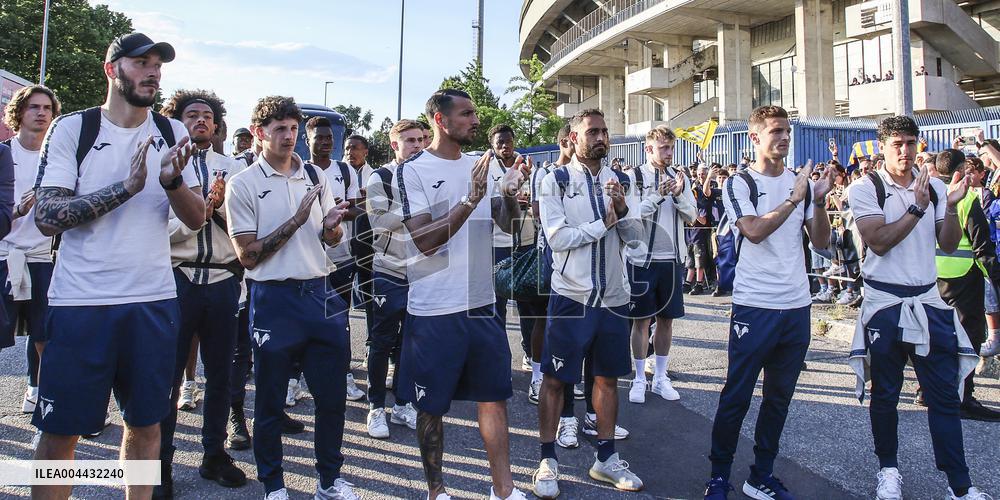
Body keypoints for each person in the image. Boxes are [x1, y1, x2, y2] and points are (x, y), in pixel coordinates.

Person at [31, 32, 205, 500]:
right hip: (81, 304)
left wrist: (172, 184)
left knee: (147, 426)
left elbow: (196, 217)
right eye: (140, 62)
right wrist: (126, 189)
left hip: (152, 301)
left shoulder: (172, 132)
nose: (153, 72)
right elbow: (47, 217)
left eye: (158, 65)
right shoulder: (74, 129)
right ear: (112, 70)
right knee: (62, 433)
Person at [394, 88, 528, 500]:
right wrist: (470, 199)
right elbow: (425, 241)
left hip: (482, 304)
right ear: (440, 119)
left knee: (494, 400)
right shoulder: (412, 170)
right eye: (467, 114)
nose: (475, 120)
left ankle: (503, 490)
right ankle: (438, 491)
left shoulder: (481, 166)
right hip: (434, 309)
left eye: (474, 114)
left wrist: (507, 194)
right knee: (431, 407)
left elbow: (507, 226)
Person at [848, 115, 991, 500]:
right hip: (885, 303)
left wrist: (952, 206)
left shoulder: (936, 187)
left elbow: (946, 243)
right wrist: (916, 208)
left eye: (911, 143)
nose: (905, 151)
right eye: (897, 144)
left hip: (928, 300)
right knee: (886, 393)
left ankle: (959, 485)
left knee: (945, 394)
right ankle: (889, 471)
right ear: (882, 147)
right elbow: (878, 241)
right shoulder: (866, 188)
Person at [225, 95, 357, 500]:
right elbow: (247, 255)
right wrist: (298, 219)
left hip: (320, 292)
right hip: (273, 297)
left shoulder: (315, 179)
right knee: (269, 403)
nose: (288, 136)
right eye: (279, 129)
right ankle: (275, 485)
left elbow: (330, 240)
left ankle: (329, 480)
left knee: (332, 398)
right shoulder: (243, 183)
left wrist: (332, 226)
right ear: (260, 132)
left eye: (293, 129)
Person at [705, 105, 833, 500]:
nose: (783, 138)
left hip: (796, 306)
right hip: (754, 305)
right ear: (754, 138)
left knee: (778, 399)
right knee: (737, 395)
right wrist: (795, 200)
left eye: (787, 132)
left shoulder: (801, 184)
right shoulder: (740, 183)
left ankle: (760, 474)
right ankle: (719, 476)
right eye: (776, 131)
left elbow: (823, 242)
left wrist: (818, 201)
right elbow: (754, 231)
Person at [532, 108, 645, 499]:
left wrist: (625, 212)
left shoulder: (620, 179)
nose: (600, 137)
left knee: (607, 379)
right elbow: (558, 237)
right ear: (573, 138)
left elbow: (635, 240)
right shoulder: (554, 179)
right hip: (572, 296)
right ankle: (548, 459)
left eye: (604, 131)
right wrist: (604, 223)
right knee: (555, 379)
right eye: (592, 131)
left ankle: (606, 458)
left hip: (613, 297)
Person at [155, 89, 248, 498]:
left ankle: (214, 454)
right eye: (192, 115)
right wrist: (198, 214)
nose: (201, 121)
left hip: (224, 279)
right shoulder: (166, 165)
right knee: (168, 376)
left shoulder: (235, 169)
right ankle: (161, 462)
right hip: (178, 277)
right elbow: (157, 228)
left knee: (221, 373)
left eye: (208, 115)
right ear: (177, 121)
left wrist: (223, 209)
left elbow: (248, 229)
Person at [626, 126, 696, 406]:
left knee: (667, 320)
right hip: (642, 259)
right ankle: (639, 377)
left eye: (671, 147)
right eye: (663, 147)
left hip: (672, 259)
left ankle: (661, 376)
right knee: (640, 321)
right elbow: (630, 215)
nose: (668, 153)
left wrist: (678, 194)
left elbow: (692, 215)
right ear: (649, 149)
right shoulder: (636, 177)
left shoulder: (680, 177)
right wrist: (657, 195)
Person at [0, 85, 59, 419]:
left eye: (48, 108)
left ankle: (41, 395)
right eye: (34, 107)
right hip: (4, 254)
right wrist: (17, 212)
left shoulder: (57, 158)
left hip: (43, 255)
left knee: (44, 334)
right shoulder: (3, 153)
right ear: (18, 112)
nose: (41, 113)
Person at [363, 118, 423, 439]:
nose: (417, 145)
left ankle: (402, 404)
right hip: (388, 270)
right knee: (382, 340)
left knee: (411, 343)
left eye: (420, 139)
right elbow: (379, 221)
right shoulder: (381, 176)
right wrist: (414, 210)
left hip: (422, 272)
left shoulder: (427, 175)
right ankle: (375, 407)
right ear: (395, 145)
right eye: (410, 140)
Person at [931, 151, 1000, 423]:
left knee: (937, 339)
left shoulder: (931, 194)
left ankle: (928, 390)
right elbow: (982, 244)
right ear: (962, 169)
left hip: (935, 279)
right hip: (964, 278)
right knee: (968, 342)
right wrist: (994, 277)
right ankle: (963, 397)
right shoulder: (967, 197)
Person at [304, 119, 367, 403]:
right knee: (302, 320)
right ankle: (295, 379)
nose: (326, 142)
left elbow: (357, 210)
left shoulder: (344, 171)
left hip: (341, 256)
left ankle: (344, 375)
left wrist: (335, 212)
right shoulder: (300, 170)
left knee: (339, 318)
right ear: (308, 140)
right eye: (320, 138)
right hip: (305, 259)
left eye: (330, 138)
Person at [488, 123, 538, 372]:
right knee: (496, 306)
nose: (505, 146)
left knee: (527, 304)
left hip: (525, 244)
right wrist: (508, 200)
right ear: (493, 145)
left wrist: (524, 203)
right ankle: (499, 359)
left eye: (508, 141)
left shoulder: (527, 166)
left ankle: (529, 353)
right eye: (500, 143)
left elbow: (536, 206)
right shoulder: (486, 170)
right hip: (497, 245)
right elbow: (490, 208)